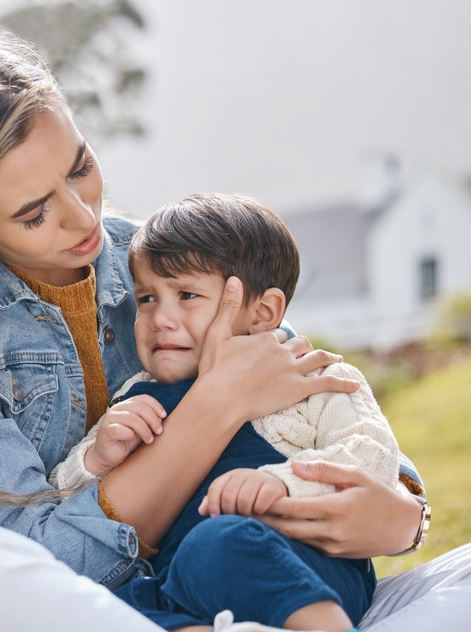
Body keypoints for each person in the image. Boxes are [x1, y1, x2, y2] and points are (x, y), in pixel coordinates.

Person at [0, 13, 471, 632]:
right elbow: (39, 564)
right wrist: (213, 404)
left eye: (80, 167)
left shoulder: (165, 258)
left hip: (276, 585)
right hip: (123, 613)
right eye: (35, 213)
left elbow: (317, 401)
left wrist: (406, 513)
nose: (85, 217)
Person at [48, 193, 406, 631]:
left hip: (302, 562)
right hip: (185, 582)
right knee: (103, 608)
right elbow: (63, 500)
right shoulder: (136, 396)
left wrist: (280, 485)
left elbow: (373, 458)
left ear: (263, 312)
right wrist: (95, 459)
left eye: (186, 295)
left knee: (221, 542)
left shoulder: (313, 380)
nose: (160, 317)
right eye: (146, 298)